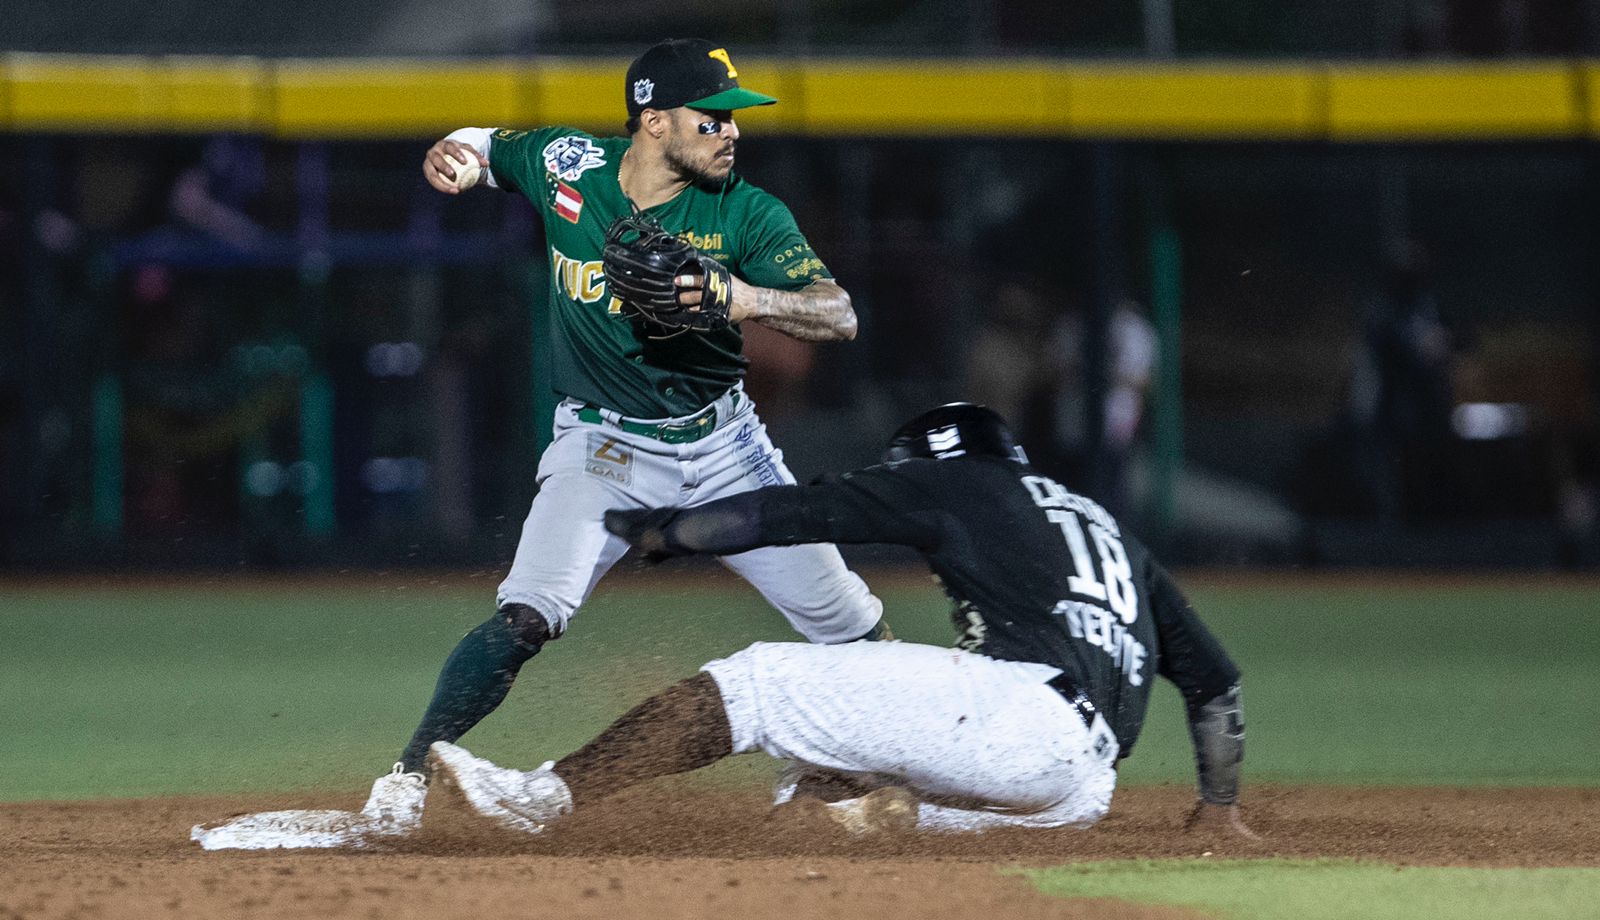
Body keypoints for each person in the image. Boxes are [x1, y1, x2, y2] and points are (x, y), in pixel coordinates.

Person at [192, 39, 886, 849]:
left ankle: (906, 769)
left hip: (726, 447)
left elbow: (838, 314)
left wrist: (740, 296)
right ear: (654, 122)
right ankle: (406, 776)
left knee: (853, 630)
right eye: (716, 118)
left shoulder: (748, 212)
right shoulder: (569, 163)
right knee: (527, 615)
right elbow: (484, 148)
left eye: (736, 120)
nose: (733, 133)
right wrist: (453, 154)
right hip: (604, 447)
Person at [423, 404, 1252, 837]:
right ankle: (871, 816)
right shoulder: (1107, 528)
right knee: (821, 808)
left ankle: (541, 797)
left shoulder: (957, 481)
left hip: (1021, 720)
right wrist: (1219, 808)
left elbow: (804, 512)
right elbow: (1215, 687)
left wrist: (673, 530)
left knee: (757, 683)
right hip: (1083, 790)